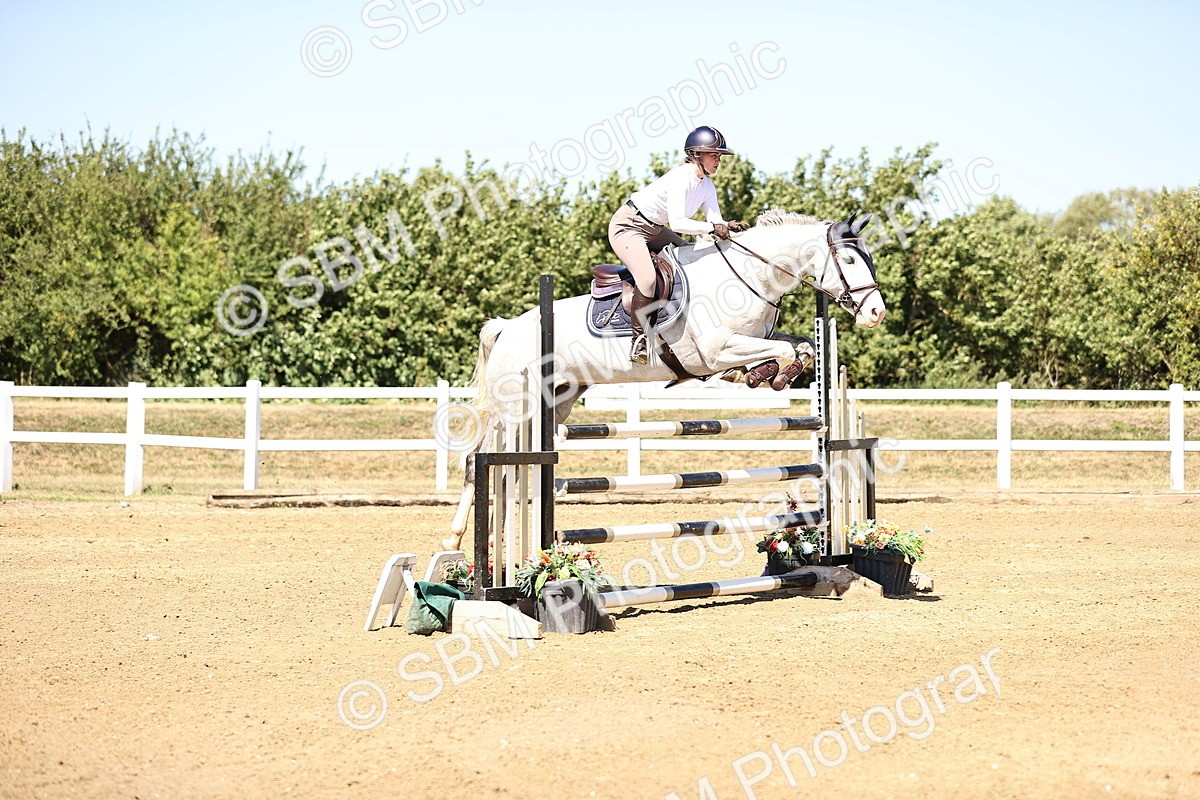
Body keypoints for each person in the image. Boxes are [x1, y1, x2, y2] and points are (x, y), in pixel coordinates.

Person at [608, 125, 747, 364]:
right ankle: (639, 341)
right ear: (696, 155)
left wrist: (728, 226)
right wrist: (714, 228)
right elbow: (679, 223)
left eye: (720, 156)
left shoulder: (706, 185)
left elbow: (714, 219)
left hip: (655, 229)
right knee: (648, 279)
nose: (719, 160)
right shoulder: (681, 178)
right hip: (628, 226)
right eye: (714, 155)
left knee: (689, 262)